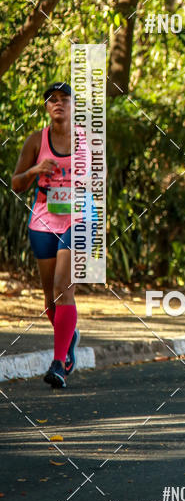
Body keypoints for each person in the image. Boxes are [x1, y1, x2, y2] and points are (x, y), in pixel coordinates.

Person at [11, 82, 81, 388]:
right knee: (50, 299)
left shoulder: (87, 140)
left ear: (73, 106)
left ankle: (58, 364)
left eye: (64, 99)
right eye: (52, 100)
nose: (58, 104)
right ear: (46, 107)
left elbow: (101, 180)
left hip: (78, 218)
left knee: (63, 287)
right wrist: (35, 170)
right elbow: (16, 183)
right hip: (43, 219)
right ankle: (70, 334)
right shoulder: (34, 140)